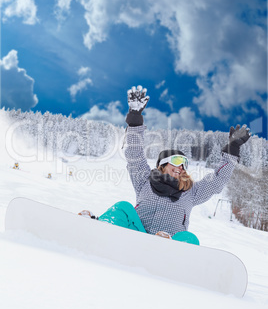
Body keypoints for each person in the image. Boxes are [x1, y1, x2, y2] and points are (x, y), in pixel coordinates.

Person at [79, 86, 251, 245]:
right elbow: (134, 154)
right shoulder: (144, 180)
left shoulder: (191, 192)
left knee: (189, 238)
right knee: (123, 207)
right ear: (162, 164)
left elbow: (217, 181)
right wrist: (135, 119)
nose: (181, 167)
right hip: (134, 237)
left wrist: (232, 149)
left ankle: (178, 266)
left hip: (170, 246)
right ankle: (94, 231)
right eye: (176, 161)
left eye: (184, 164)